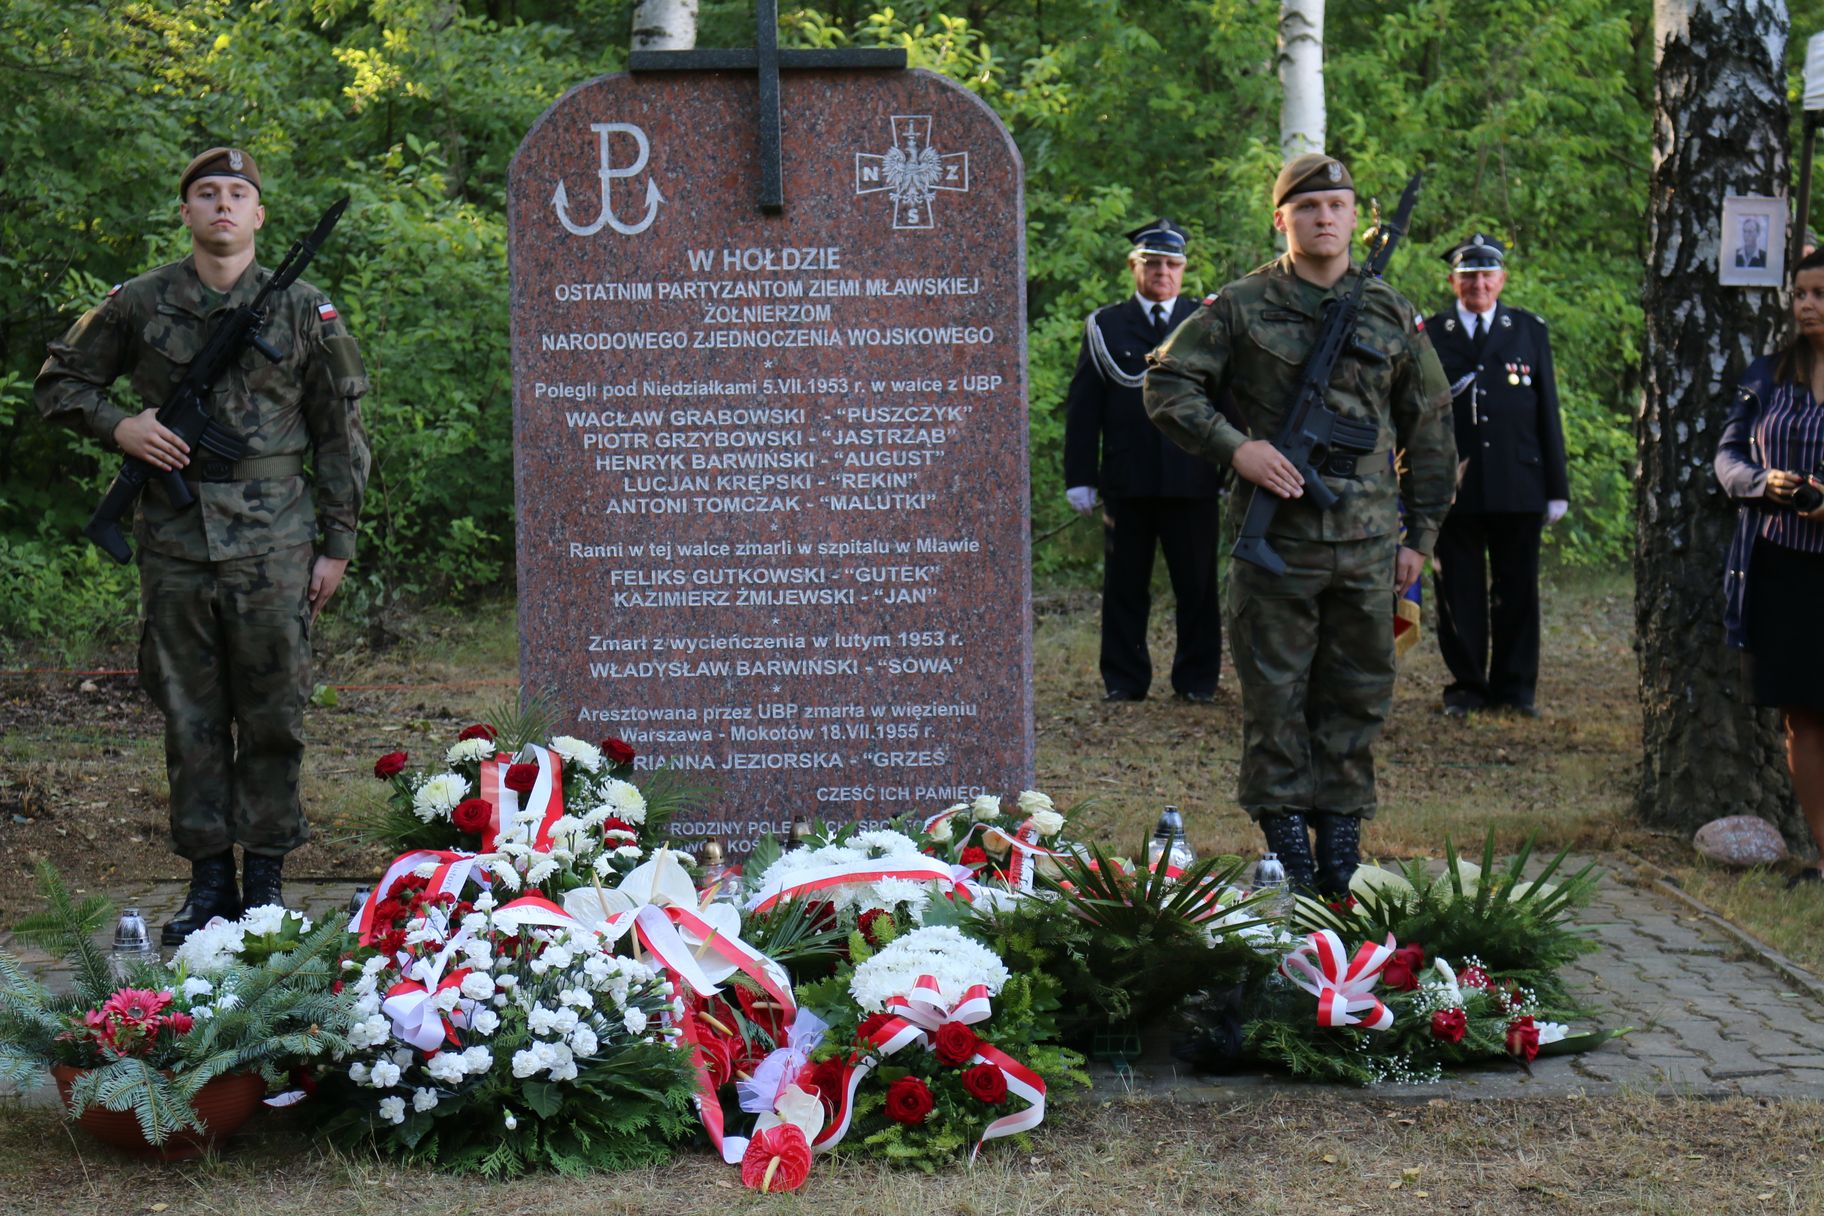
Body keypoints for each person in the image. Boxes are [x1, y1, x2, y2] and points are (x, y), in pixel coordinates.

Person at [36, 148, 371, 943]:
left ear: (258, 216)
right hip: (178, 544)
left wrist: (338, 543)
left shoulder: (304, 311)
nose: (223, 205)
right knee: (189, 717)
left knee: (275, 716)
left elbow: (342, 431)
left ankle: (264, 883)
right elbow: (59, 383)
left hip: (278, 544)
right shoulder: (138, 302)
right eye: (206, 193)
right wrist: (124, 426)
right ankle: (206, 884)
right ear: (185, 212)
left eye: (239, 194)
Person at [1143, 153, 1456, 895]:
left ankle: (1341, 850)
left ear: (1356, 217)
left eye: (1339, 205)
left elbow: (1430, 423)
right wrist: (1238, 448)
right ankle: (1286, 849)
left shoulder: (1389, 309)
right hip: (1276, 543)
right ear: (1281, 218)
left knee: (1357, 696)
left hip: (1371, 543)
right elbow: (1166, 383)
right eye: (1309, 207)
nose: (1325, 219)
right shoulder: (1244, 305)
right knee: (1275, 698)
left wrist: (1423, 536)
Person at [1063, 218, 1226, 703]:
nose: (1163, 273)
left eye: (1172, 265)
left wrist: (1232, 464)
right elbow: (1083, 405)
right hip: (1127, 480)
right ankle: (1124, 680)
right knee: (1124, 587)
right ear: (1135, 267)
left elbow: (1227, 400)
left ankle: (1196, 682)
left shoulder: (1204, 322)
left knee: (1197, 588)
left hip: (1193, 478)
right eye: (1152, 263)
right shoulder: (1106, 326)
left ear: (1183, 269)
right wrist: (1079, 477)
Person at [1425, 234, 1569, 719]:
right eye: (1468, 277)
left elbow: (1547, 411)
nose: (1478, 284)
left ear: (1502, 280)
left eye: (1487, 276)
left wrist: (1557, 488)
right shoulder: (1430, 332)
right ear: (1453, 282)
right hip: (1453, 486)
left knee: (1517, 591)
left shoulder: (1528, 330)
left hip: (1518, 482)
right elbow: (1414, 413)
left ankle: (1515, 688)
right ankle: (1467, 686)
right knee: (1456, 591)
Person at [1716, 246, 1824, 886]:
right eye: (1801, 293)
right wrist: (1764, 483)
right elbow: (1727, 458)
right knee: (1802, 713)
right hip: (1782, 567)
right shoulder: (1769, 374)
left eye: (1820, 293)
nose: (1807, 304)